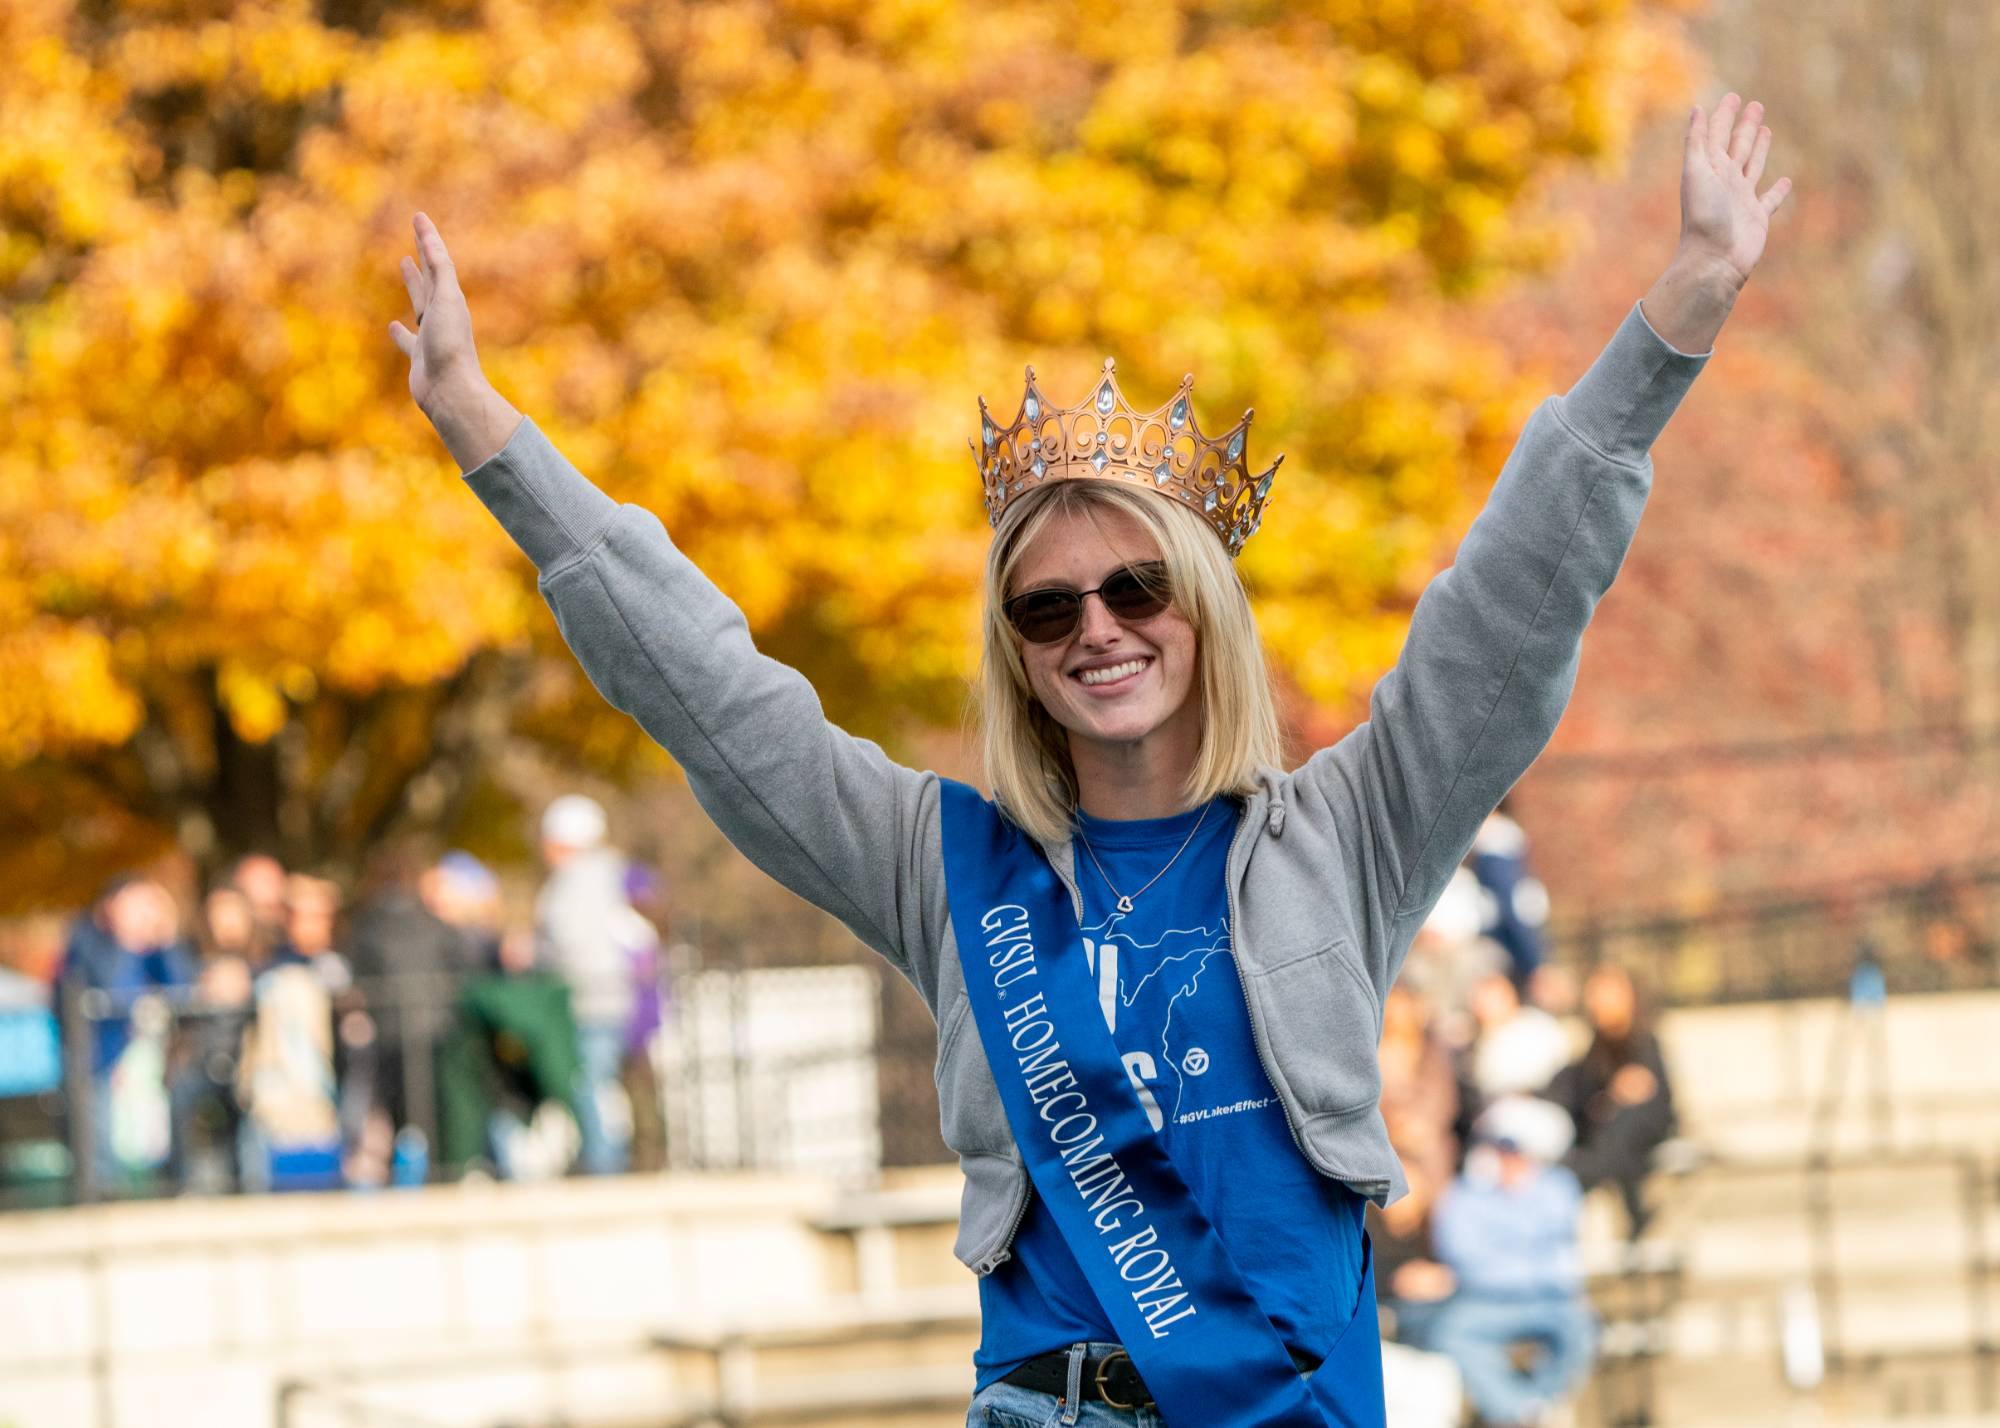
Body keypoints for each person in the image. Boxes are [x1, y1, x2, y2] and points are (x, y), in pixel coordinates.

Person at [389, 92, 1790, 1426]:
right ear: (1014, 646)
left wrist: (1681, 311)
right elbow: (706, 691)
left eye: (1136, 588)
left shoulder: (1352, 830)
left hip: (1291, 1404)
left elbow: (1513, 597)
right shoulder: (940, 865)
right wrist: (480, 427)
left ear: (1202, 605)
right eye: (1047, 607)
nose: (1099, 630)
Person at [1430, 1098, 1595, 1428]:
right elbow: (1465, 1261)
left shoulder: (1556, 1187)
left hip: (1552, 1301)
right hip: (1486, 1303)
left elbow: (1562, 1259)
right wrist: (1529, 1260)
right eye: (1500, 1147)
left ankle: (1538, 1405)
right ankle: (1517, 1414)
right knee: (1451, 1335)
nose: (1509, 1157)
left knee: (1582, 1331)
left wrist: (1506, 1258)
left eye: (1516, 1148)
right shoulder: (1463, 1196)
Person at [534, 794, 639, 1175]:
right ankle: (602, 1159)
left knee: (590, 1084)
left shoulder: (580, 880)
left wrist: (536, 955)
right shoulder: (604, 874)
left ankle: (604, 1164)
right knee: (596, 1084)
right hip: (601, 996)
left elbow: (569, 939)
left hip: (588, 999)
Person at [1547, 964, 1677, 1239]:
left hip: (1637, 1129)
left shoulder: (1644, 1041)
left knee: (1625, 1123)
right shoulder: (1594, 1051)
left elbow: (1649, 1092)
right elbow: (1584, 1095)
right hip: (1605, 1134)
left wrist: (1620, 1094)